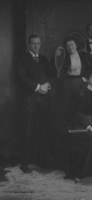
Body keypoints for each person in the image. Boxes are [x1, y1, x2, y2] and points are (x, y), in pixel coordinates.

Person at [18, 34, 55, 171]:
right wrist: (38, 87)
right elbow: (21, 77)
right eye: (33, 43)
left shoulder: (44, 59)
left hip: (44, 99)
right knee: (29, 129)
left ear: (41, 44)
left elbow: (52, 74)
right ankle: (25, 161)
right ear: (29, 44)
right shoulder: (23, 58)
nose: (36, 46)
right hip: (30, 99)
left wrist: (48, 84)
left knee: (43, 128)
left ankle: (43, 159)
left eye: (38, 43)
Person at [58, 36, 92, 129]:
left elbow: (91, 67)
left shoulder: (84, 55)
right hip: (68, 83)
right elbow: (60, 71)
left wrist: (86, 78)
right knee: (67, 107)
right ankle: (67, 129)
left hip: (82, 82)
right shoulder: (64, 57)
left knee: (80, 106)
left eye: (72, 44)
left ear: (76, 45)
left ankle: (82, 126)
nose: (70, 47)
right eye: (68, 45)